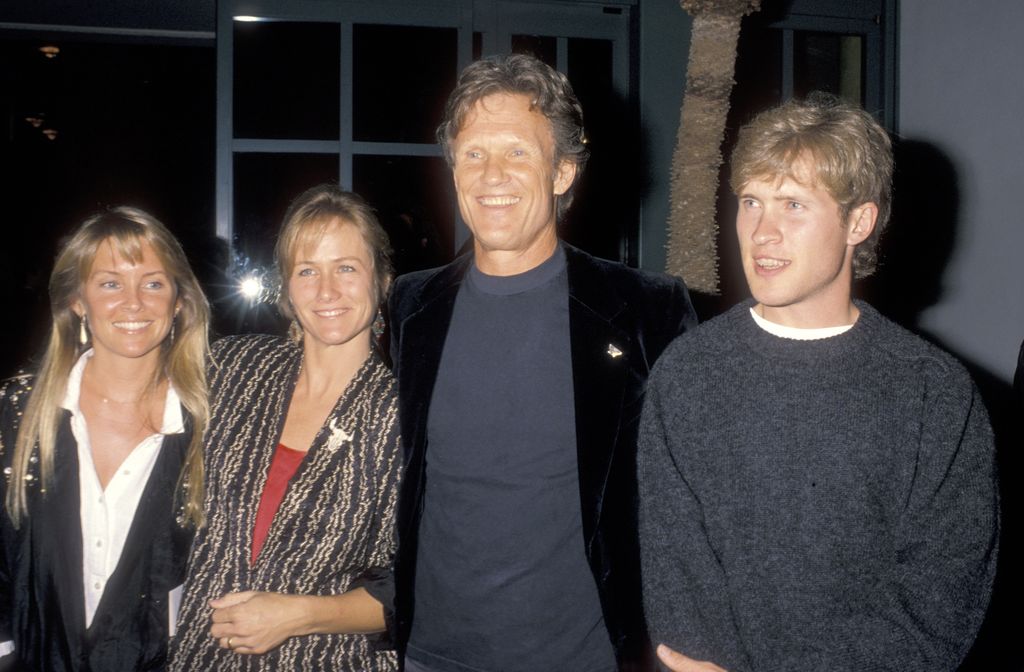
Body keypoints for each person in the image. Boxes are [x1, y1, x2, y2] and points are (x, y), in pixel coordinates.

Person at [638, 93, 999, 672]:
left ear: (859, 221)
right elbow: (676, 572)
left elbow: (938, 603)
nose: (762, 232)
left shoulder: (934, 393)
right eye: (750, 202)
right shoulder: (687, 374)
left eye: (793, 206)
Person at [388, 53, 697, 672]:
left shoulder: (644, 310)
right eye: (472, 153)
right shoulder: (411, 304)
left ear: (563, 171)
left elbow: (694, 499)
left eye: (517, 153)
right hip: (429, 657)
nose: (491, 174)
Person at [169, 185, 401, 671]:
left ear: (381, 280)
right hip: (200, 654)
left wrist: (299, 616)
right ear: (287, 288)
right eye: (307, 271)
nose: (327, 291)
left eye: (346, 268)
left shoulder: (405, 416)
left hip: (327, 659)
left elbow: (417, 586)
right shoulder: (235, 368)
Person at [0, 207, 210, 671]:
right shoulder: (17, 411)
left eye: (153, 283)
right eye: (110, 283)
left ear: (178, 301)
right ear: (77, 300)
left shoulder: (209, 424)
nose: (134, 303)